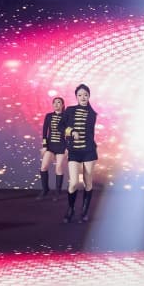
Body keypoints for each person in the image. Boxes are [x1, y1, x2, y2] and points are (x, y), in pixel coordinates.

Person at [60, 84, 98, 223]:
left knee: (88, 182)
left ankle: (84, 211)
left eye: (86, 95)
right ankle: (71, 209)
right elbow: (60, 126)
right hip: (74, 151)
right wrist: (71, 131)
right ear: (76, 96)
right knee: (74, 183)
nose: (83, 97)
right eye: (80, 95)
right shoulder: (70, 110)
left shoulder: (92, 114)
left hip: (89, 151)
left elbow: (89, 133)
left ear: (89, 96)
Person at [37, 97, 67, 199]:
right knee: (43, 167)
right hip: (50, 146)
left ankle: (57, 192)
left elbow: (68, 133)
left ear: (62, 105)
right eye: (54, 102)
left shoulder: (66, 117)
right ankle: (45, 189)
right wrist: (44, 146)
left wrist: (68, 147)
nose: (56, 104)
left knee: (58, 168)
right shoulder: (49, 116)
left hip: (61, 145)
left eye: (59, 102)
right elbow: (44, 132)